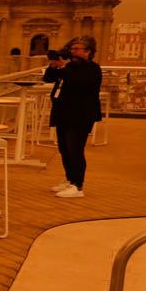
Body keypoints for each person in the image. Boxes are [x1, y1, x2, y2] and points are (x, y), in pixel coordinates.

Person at [43, 36, 103, 197]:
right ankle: (70, 180)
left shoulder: (92, 69)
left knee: (75, 149)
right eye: (72, 49)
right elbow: (47, 78)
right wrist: (54, 65)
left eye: (77, 49)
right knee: (64, 149)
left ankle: (78, 186)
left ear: (88, 52)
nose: (73, 52)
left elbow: (79, 83)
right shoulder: (70, 67)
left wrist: (63, 68)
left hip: (80, 115)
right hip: (63, 112)